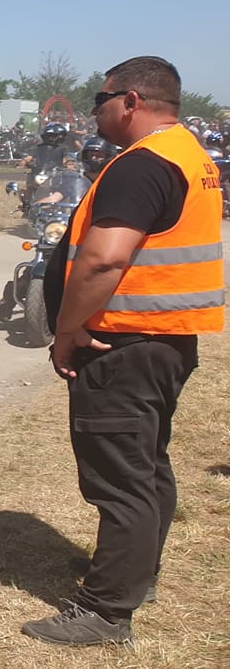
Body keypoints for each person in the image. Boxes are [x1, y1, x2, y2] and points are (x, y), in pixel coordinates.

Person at [24, 56, 223, 646]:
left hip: (123, 342)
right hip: (161, 340)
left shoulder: (142, 164)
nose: (94, 112)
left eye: (100, 100)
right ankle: (135, 571)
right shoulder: (188, 154)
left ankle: (107, 610)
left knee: (120, 478)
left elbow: (104, 258)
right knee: (147, 464)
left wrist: (67, 328)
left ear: (131, 100)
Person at [0, 137, 115, 322]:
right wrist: (35, 206)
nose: (95, 159)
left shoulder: (112, 182)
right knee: (40, 260)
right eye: (91, 154)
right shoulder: (76, 180)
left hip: (98, 235)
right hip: (71, 231)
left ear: (109, 157)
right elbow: (55, 197)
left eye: (100, 155)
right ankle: (5, 304)